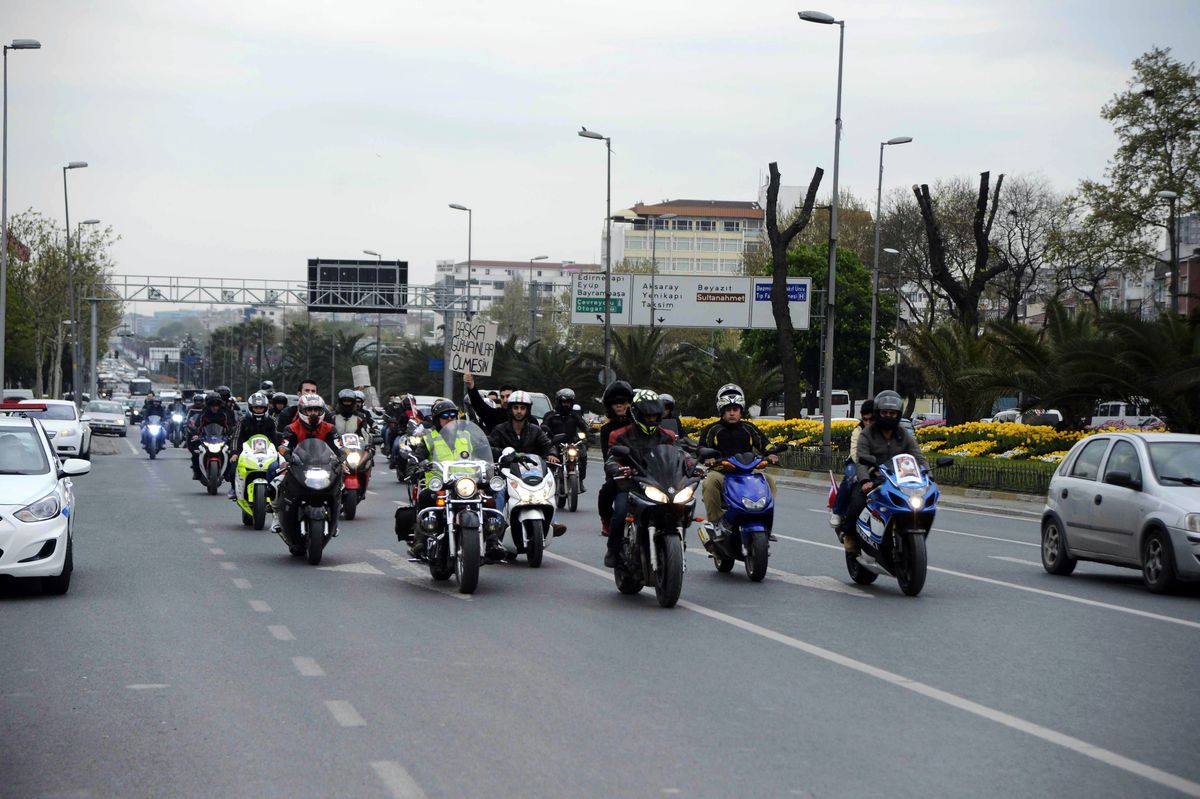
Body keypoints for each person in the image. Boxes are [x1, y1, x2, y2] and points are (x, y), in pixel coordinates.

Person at [397, 399, 507, 563]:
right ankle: (420, 541)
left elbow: (485, 449)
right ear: (437, 420)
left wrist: (506, 455)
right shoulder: (430, 439)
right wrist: (414, 465)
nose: (449, 419)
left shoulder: (467, 436)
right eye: (445, 416)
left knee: (488, 500)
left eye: (453, 416)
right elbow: (417, 457)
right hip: (441, 485)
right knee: (425, 497)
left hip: (468, 483)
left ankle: (492, 541)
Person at [837, 390, 928, 555]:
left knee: (919, 505)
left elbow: (918, 457)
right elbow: (861, 460)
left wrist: (928, 475)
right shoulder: (866, 434)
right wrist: (865, 481)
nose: (888, 416)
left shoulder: (904, 434)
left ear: (898, 414)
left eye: (892, 413)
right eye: (884, 412)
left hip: (898, 480)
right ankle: (848, 533)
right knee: (857, 502)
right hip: (873, 478)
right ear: (878, 413)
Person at [602, 389, 684, 568]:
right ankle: (613, 549)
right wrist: (618, 468)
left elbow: (680, 454)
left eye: (654, 416)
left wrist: (693, 466)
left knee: (681, 506)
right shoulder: (619, 435)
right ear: (637, 414)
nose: (650, 419)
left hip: (661, 483)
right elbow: (611, 459)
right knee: (621, 511)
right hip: (631, 484)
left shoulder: (667, 435)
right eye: (647, 416)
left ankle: (677, 545)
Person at [697, 383, 779, 535]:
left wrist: (772, 453)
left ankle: (764, 520)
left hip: (748, 472)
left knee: (770, 481)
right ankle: (715, 523)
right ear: (722, 411)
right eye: (728, 410)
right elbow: (701, 448)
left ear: (741, 411)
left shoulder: (749, 428)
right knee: (709, 483)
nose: (732, 413)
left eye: (735, 410)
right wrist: (707, 458)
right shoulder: (712, 429)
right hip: (722, 472)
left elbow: (764, 444)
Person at [273, 394, 341, 535]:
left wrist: (342, 457)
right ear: (302, 411)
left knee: (341, 485)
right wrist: (287, 456)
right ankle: (276, 516)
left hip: (324, 466)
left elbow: (338, 447)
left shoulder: (330, 428)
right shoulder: (291, 428)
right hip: (297, 465)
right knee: (276, 484)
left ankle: (335, 521)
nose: (313, 414)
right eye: (310, 410)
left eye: (317, 410)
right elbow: (284, 445)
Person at [596, 380, 634, 538]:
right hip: (618, 472)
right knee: (606, 491)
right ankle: (606, 521)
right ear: (609, 406)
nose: (619, 405)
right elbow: (607, 456)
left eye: (623, 402)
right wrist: (615, 469)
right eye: (615, 403)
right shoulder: (606, 430)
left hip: (643, 471)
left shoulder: (639, 425)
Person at [227, 391, 281, 498]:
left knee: (281, 468)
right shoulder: (243, 420)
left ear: (266, 408)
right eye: (256, 408)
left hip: (269, 452)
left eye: (261, 408)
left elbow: (278, 437)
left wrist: (281, 452)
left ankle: (277, 490)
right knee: (233, 467)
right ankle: (234, 488)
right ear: (250, 408)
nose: (258, 410)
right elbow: (236, 437)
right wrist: (234, 452)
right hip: (246, 451)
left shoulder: (272, 420)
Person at [829, 399, 874, 527]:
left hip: (878, 464)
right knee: (850, 477)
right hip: (856, 462)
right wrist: (865, 465)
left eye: (871, 419)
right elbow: (855, 453)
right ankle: (837, 511)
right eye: (865, 419)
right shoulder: (858, 431)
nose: (868, 423)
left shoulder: (884, 431)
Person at [541, 388, 590, 491]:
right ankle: (546, 483)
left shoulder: (574, 415)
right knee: (547, 460)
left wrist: (589, 434)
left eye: (569, 402)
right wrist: (546, 432)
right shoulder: (550, 415)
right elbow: (543, 428)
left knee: (583, 454)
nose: (566, 405)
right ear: (559, 402)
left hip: (571, 444)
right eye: (564, 402)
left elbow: (584, 426)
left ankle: (580, 480)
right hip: (555, 444)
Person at [188, 392, 233, 482]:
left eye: (216, 405)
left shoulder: (224, 414)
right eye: (212, 405)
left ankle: (227, 473)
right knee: (195, 453)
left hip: (221, 438)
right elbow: (197, 426)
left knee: (230, 453)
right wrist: (196, 434)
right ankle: (197, 472)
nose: (214, 407)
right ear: (208, 405)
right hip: (205, 438)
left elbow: (230, 426)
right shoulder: (203, 414)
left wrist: (231, 434)